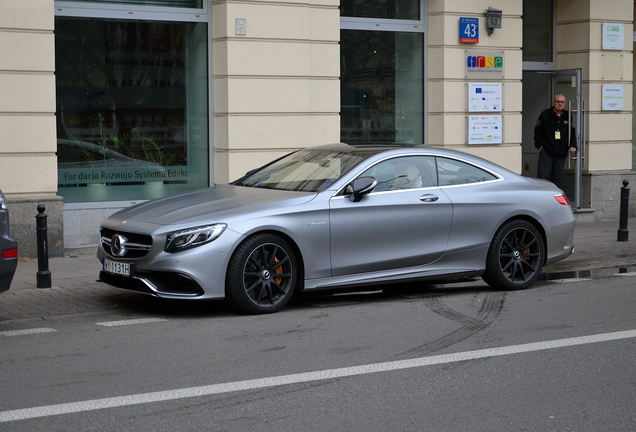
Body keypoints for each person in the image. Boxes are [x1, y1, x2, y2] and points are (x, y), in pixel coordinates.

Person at [534, 94, 577, 188]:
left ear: (565, 104)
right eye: (558, 102)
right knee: (543, 179)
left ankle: (554, 200)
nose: (560, 104)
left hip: (561, 152)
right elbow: (538, 131)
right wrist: (540, 146)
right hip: (547, 151)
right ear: (553, 103)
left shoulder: (567, 115)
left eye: (562, 102)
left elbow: (572, 131)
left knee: (557, 179)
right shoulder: (546, 114)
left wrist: (573, 145)